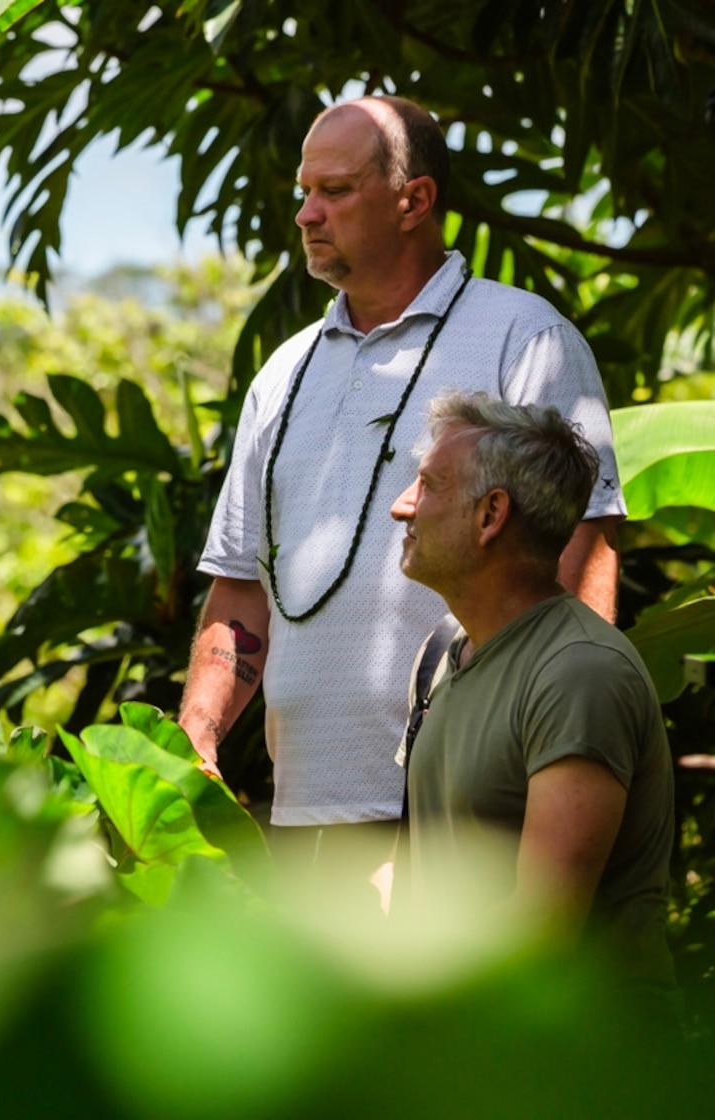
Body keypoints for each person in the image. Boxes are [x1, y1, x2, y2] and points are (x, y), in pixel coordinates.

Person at [178, 95, 624, 882]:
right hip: (307, 814)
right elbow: (242, 587)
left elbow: (579, 566)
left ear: (414, 199)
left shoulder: (526, 338)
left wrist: (550, 766)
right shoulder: (283, 375)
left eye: (337, 191)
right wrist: (199, 732)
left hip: (469, 810)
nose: (309, 213)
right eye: (303, 193)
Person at [393, 391, 675, 1011]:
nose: (401, 507)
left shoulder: (579, 673)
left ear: (491, 514)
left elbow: (541, 929)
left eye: (428, 485)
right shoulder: (444, 655)